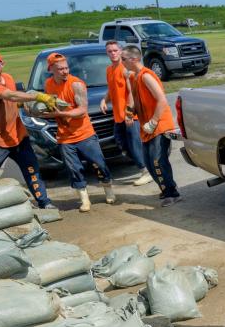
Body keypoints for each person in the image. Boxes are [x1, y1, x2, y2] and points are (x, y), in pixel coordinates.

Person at [0, 49, 55, 208]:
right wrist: (38, 96)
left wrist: (28, 106)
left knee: (32, 170)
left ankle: (45, 203)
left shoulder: (8, 78)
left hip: (19, 136)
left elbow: (14, 100)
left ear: (2, 64)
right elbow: (10, 96)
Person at [42, 52, 115, 213]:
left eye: (66, 68)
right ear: (51, 69)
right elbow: (51, 105)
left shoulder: (76, 84)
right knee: (73, 168)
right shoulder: (48, 84)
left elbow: (82, 110)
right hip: (65, 136)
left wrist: (61, 114)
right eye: (60, 69)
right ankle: (84, 199)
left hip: (84, 133)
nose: (65, 71)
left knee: (99, 164)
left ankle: (108, 189)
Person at [121, 45, 182, 207]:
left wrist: (153, 121)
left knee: (157, 161)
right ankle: (165, 189)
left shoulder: (147, 76)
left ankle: (172, 193)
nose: (121, 62)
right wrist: (129, 113)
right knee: (149, 162)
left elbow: (162, 100)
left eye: (123, 59)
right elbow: (134, 101)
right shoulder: (135, 77)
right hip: (146, 126)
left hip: (158, 124)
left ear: (134, 59)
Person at [100, 40, 153, 186]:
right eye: (110, 51)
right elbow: (112, 89)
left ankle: (146, 171)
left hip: (130, 116)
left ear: (120, 50)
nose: (113, 53)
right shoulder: (109, 70)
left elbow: (132, 92)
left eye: (115, 50)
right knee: (122, 144)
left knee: (134, 144)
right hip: (118, 116)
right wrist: (104, 100)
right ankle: (146, 167)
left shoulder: (125, 69)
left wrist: (129, 113)